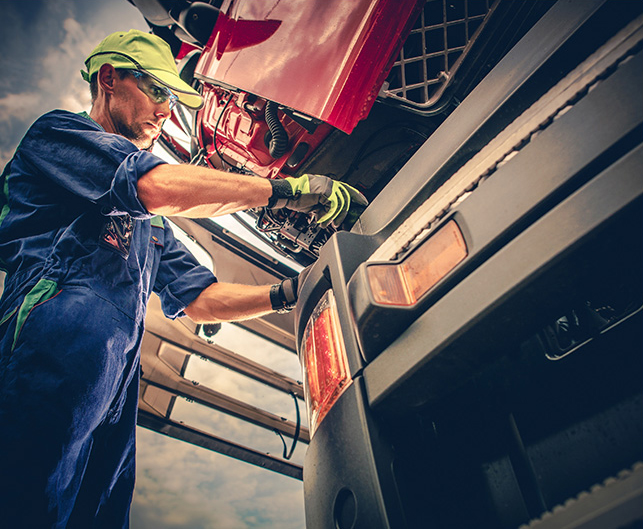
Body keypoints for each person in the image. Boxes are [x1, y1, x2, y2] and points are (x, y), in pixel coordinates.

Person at [0, 29, 367, 528]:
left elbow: (202, 298)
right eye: (157, 91)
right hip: (52, 340)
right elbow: (152, 184)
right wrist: (283, 190)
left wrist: (292, 292)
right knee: (23, 496)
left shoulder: (148, 228)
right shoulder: (59, 136)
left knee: (98, 513)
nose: (166, 110)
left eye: (173, 99)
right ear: (109, 79)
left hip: (113, 381)